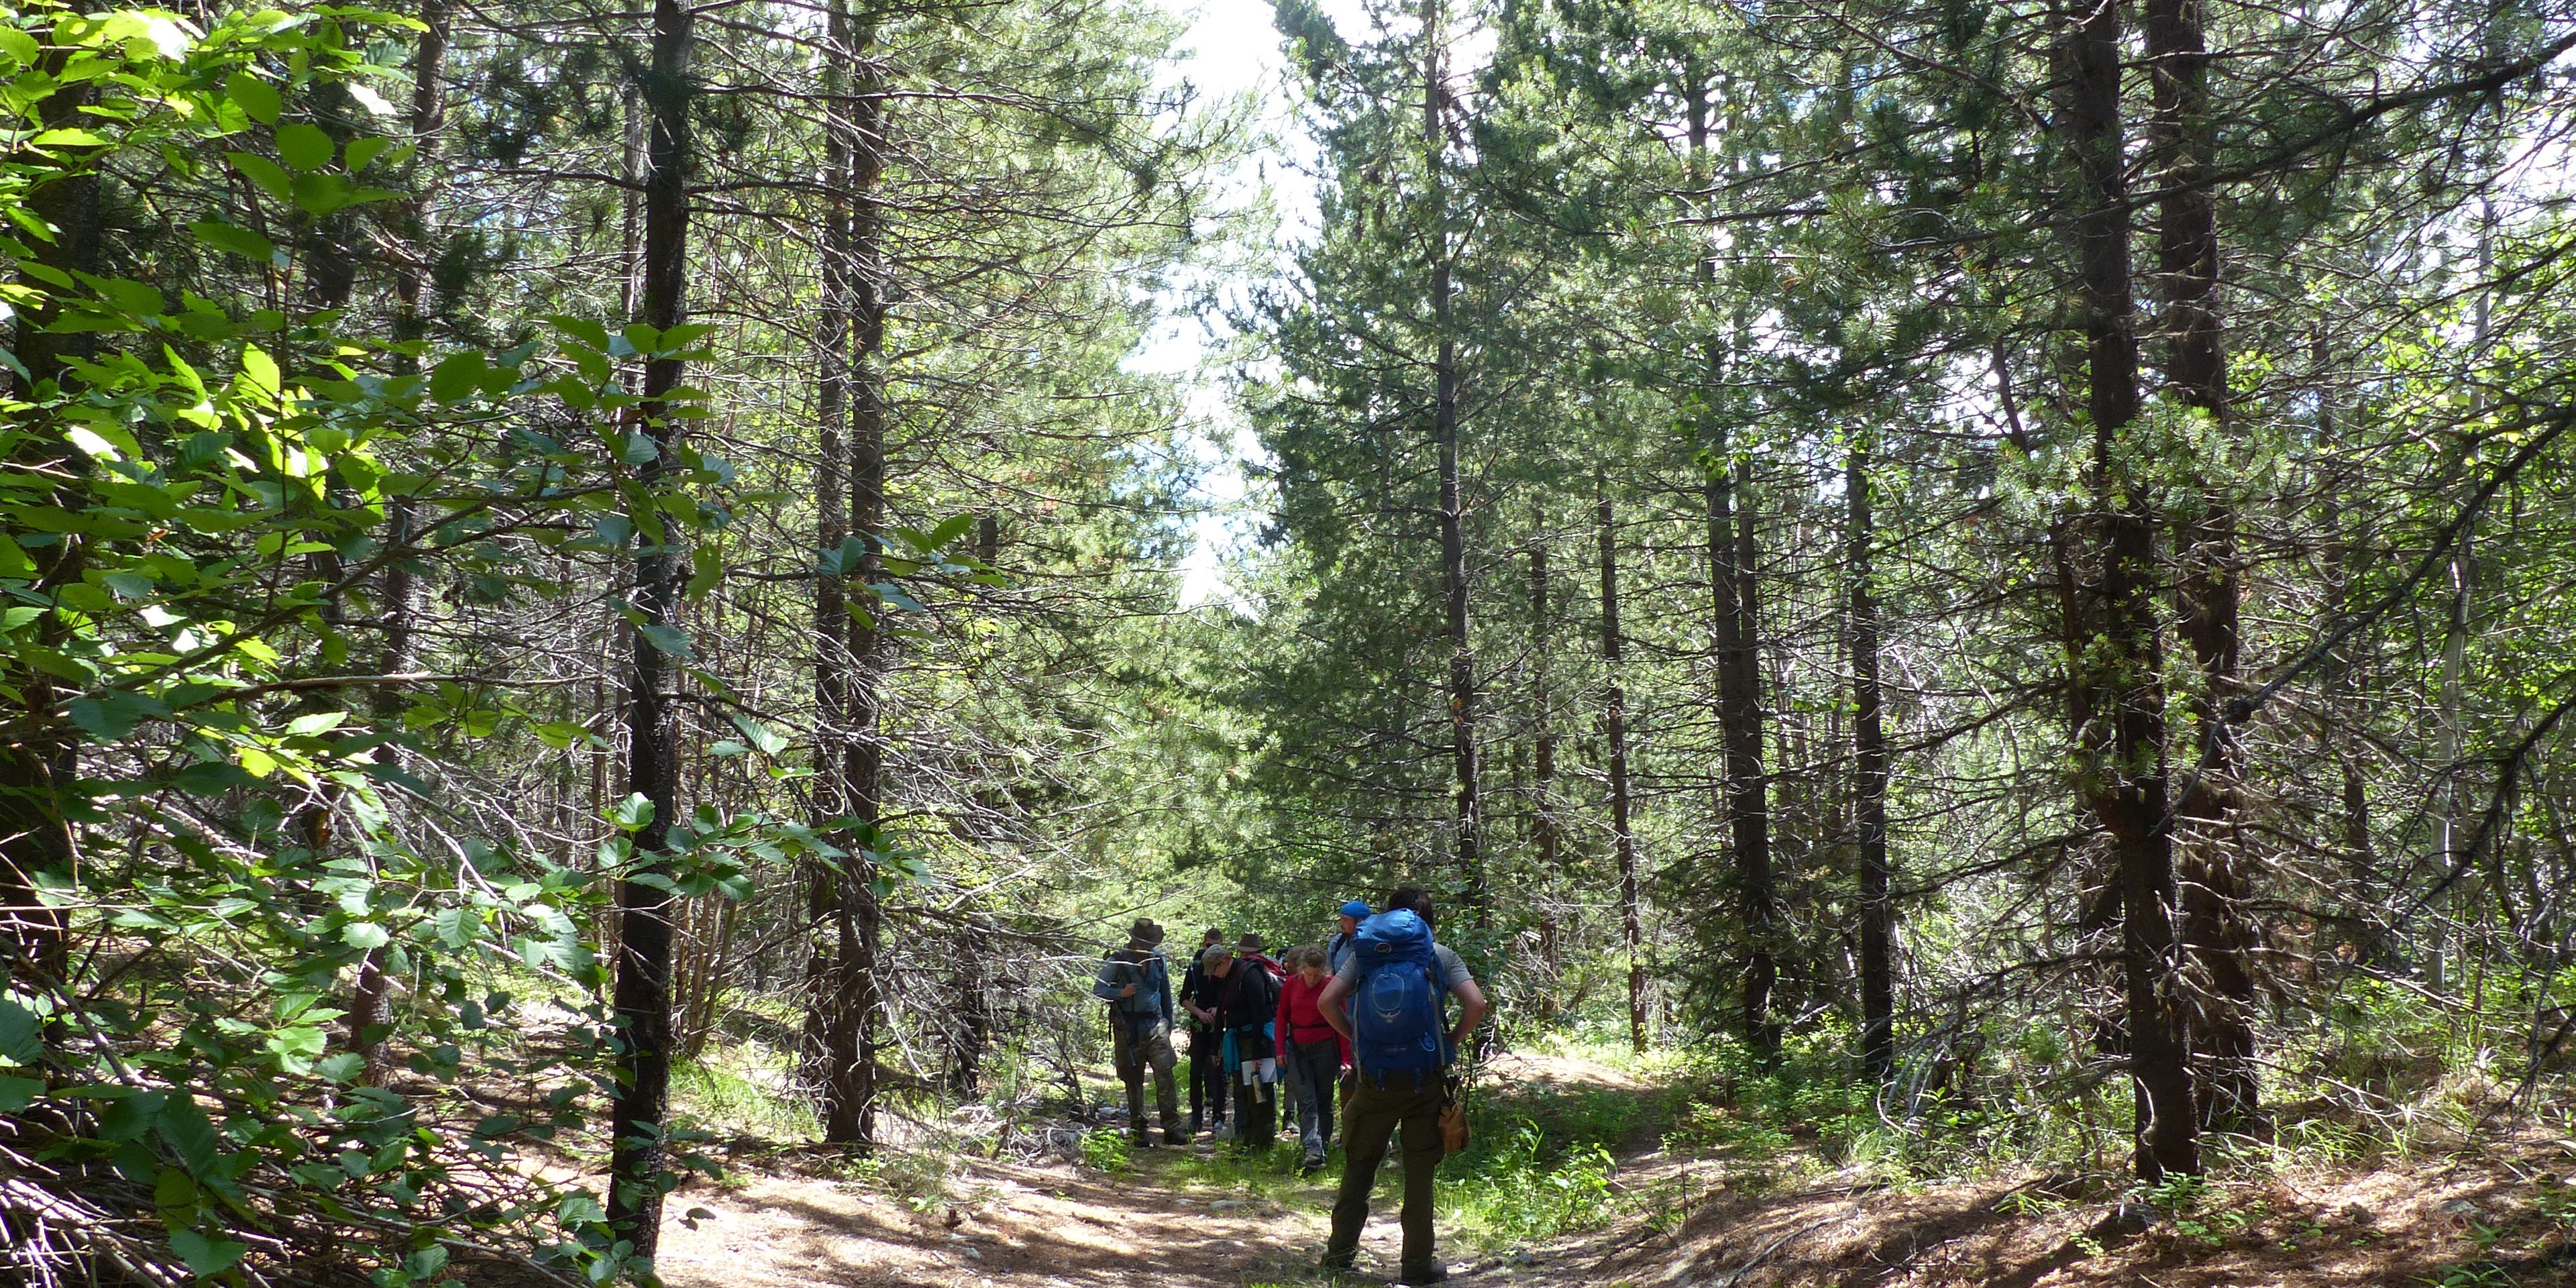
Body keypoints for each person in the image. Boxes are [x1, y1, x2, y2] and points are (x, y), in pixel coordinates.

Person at [1317, 888, 1486, 1286]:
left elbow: (1327, 1002)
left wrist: (1357, 1039)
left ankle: (1340, 1256)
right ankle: (1416, 1265)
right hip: (1424, 1079)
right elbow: (1476, 1004)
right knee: (1419, 1173)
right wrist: (1452, 1042)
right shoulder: (1440, 955)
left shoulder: (1366, 954)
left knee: (1360, 1165)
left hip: (1373, 1078)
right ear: (1428, 921)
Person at [1090, 917, 1184, 1147]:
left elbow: (1166, 994)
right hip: (1128, 1029)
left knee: (1166, 1075)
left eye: (1150, 943)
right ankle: (1139, 1130)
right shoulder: (1118, 961)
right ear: (1134, 940)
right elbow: (1098, 989)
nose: (1148, 947)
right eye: (1145, 942)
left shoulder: (1159, 960)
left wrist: (1168, 1023)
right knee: (1133, 1080)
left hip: (1156, 1025)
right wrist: (1120, 993)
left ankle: (1172, 1128)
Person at [1276, 943, 1348, 1172]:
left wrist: (1346, 1059)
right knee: (1306, 1100)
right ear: (1301, 969)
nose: (1311, 979)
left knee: (1324, 1100)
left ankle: (1321, 1148)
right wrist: (1280, 1050)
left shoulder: (1331, 987)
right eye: (1308, 973)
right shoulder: (1291, 984)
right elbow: (1281, 1017)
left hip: (1325, 1047)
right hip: (1298, 1047)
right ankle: (1312, 1150)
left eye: (1317, 975)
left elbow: (1342, 1025)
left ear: (1324, 972)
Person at [1205, 941, 1283, 1150]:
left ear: (1226, 960)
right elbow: (1221, 1012)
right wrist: (1215, 1047)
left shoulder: (1250, 975)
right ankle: (1242, 1139)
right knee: (1240, 1090)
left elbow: (1260, 1014)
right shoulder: (1224, 980)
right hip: (1237, 1041)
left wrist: (1257, 1052)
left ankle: (1263, 1142)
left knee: (1260, 1091)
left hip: (1258, 1041)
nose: (1213, 974)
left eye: (1215, 969)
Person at [1178, 926, 1228, 1138]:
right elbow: (1184, 998)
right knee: (1196, 1070)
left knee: (1220, 1071)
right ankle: (1196, 1118)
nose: (1211, 950)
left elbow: (1232, 995)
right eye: (1208, 946)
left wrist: (1219, 1009)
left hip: (1220, 1024)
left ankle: (1219, 1118)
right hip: (1199, 1025)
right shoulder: (1195, 969)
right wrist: (1199, 1013)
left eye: (1216, 946)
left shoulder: (1226, 969)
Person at [1327, 900, 1369, 975]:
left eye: (1346, 920)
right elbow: (1328, 971)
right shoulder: (1337, 942)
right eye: (1341, 919)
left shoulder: (1371, 945)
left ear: (1360, 921)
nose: (1341, 923)